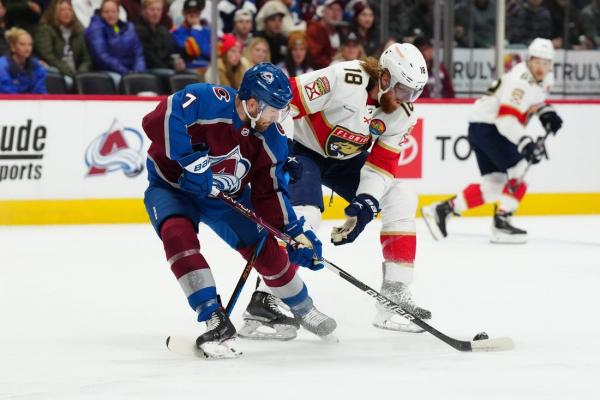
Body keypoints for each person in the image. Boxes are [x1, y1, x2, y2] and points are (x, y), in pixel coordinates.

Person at [141, 63, 336, 358]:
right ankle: (212, 315)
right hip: (172, 188)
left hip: (225, 197)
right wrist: (192, 161)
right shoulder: (208, 99)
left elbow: (269, 191)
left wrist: (294, 232)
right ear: (254, 103)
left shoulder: (271, 137)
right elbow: (159, 118)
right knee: (177, 236)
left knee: (269, 252)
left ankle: (304, 309)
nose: (277, 117)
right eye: (273, 109)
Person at [239, 43, 433, 339]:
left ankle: (395, 293)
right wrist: (283, 151)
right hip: (301, 150)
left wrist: (367, 202)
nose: (407, 99)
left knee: (400, 197)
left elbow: (381, 166)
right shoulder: (344, 77)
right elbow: (284, 102)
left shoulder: (402, 114)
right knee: (306, 215)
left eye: (415, 93)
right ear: (384, 77)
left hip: (345, 161)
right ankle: (265, 298)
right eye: (404, 90)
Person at [421, 38, 563, 244]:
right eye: (537, 62)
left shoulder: (546, 78)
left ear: (550, 64)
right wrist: (525, 142)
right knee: (520, 168)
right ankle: (501, 222)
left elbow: (534, 101)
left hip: (481, 126)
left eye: (545, 63)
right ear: (529, 60)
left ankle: (442, 210)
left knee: (494, 184)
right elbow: (506, 120)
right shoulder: (520, 80)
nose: (541, 67)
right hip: (489, 127)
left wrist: (546, 113)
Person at [34, 0, 91, 87]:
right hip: (55, 70)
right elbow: (49, 56)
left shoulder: (79, 30)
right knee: (68, 82)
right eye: (62, 10)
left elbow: (86, 58)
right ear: (54, 12)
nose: (67, 13)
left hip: (76, 72)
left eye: (69, 10)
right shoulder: (45, 29)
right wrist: (70, 73)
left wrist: (81, 74)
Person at [85, 0, 145, 82]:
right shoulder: (96, 28)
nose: (110, 15)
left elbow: (138, 53)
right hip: (107, 71)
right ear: (101, 13)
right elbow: (101, 55)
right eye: (106, 12)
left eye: (113, 11)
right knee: (120, 80)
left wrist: (139, 71)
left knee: (146, 80)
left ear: (118, 13)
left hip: (130, 71)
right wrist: (124, 71)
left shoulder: (128, 28)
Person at [135, 0, 185, 84]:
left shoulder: (163, 30)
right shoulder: (138, 30)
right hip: (148, 69)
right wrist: (170, 66)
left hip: (165, 67)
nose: (155, 13)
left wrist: (178, 62)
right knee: (173, 76)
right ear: (143, 11)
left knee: (191, 74)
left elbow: (172, 52)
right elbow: (149, 59)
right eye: (152, 9)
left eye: (158, 10)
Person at [0, 27, 46, 93]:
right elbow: (7, 94)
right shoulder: (2, 67)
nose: (27, 49)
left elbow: (40, 93)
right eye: (22, 44)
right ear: (13, 47)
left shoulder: (37, 66)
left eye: (30, 44)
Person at [171, 0, 211, 74]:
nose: (193, 15)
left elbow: (208, 52)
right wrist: (195, 30)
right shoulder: (177, 32)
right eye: (189, 12)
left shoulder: (207, 31)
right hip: (189, 68)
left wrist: (196, 29)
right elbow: (188, 50)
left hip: (208, 68)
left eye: (196, 12)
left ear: (200, 13)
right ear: (184, 13)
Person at [305, 0, 342, 69]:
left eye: (338, 10)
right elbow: (314, 57)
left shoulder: (341, 32)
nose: (335, 13)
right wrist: (334, 64)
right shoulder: (314, 30)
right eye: (331, 9)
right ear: (323, 11)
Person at [254, 1, 288, 66]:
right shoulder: (257, 38)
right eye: (273, 20)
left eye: (280, 20)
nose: (277, 23)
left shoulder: (283, 40)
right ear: (265, 22)